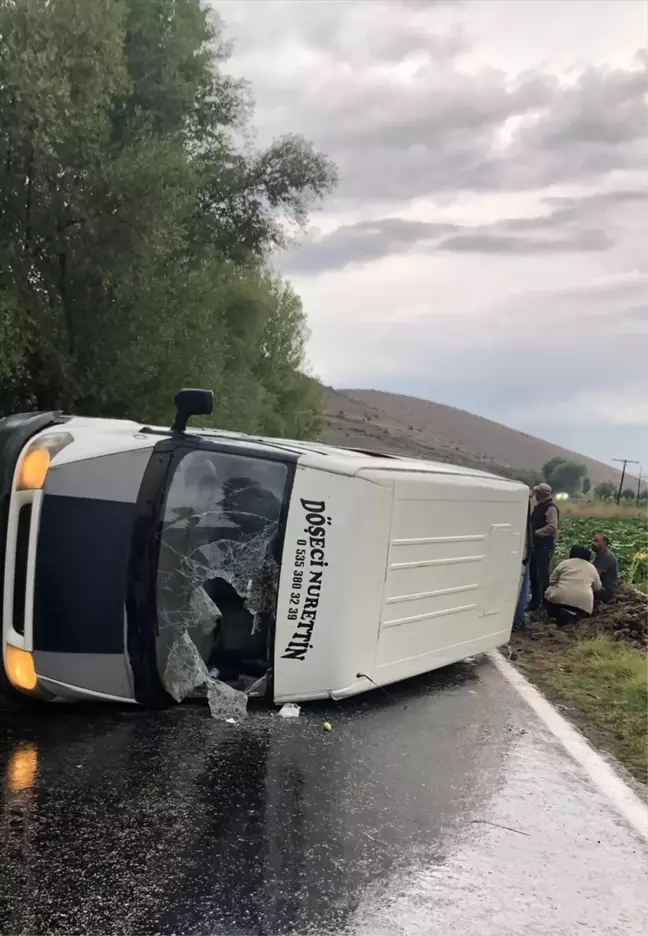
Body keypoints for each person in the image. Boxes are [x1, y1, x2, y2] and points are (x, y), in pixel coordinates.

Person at [544, 545, 601, 623]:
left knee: (549, 590)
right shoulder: (591, 567)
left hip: (560, 601)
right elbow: (598, 587)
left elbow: (552, 581)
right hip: (583, 606)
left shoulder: (564, 563)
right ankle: (575, 617)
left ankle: (551, 615)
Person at [528, 482, 559, 611]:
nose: (535, 494)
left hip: (544, 546)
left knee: (541, 575)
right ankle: (535, 602)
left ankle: (542, 604)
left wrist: (536, 533)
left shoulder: (550, 508)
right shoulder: (541, 506)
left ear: (542, 494)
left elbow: (552, 527)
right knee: (534, 574)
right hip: (539, 546)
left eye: (537, 492)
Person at [591, 533, 619, 604]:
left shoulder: (606, 556)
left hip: (607, 590)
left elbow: (595, 575)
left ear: (604, 542)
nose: (593, 543)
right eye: (593, 541)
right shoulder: (600, 555)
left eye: (596, 541)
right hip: (602, 586)